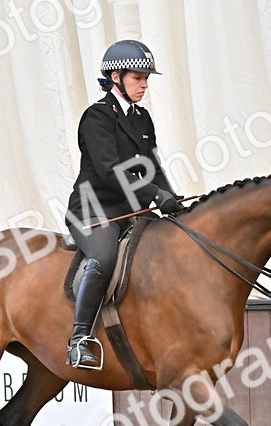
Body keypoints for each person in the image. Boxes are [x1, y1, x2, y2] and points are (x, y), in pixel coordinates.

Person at [64, 40, 183, 369]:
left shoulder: (142, 119)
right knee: (103, 257)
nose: (144, 85)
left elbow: (153, 168)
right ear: (115, 77)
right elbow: (109, 170)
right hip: (93, 210)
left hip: (133, 210)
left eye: (147, 79)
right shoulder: (97, 117)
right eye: (137, 78)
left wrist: (172, 200)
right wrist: (155, 197)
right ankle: (79, 339)